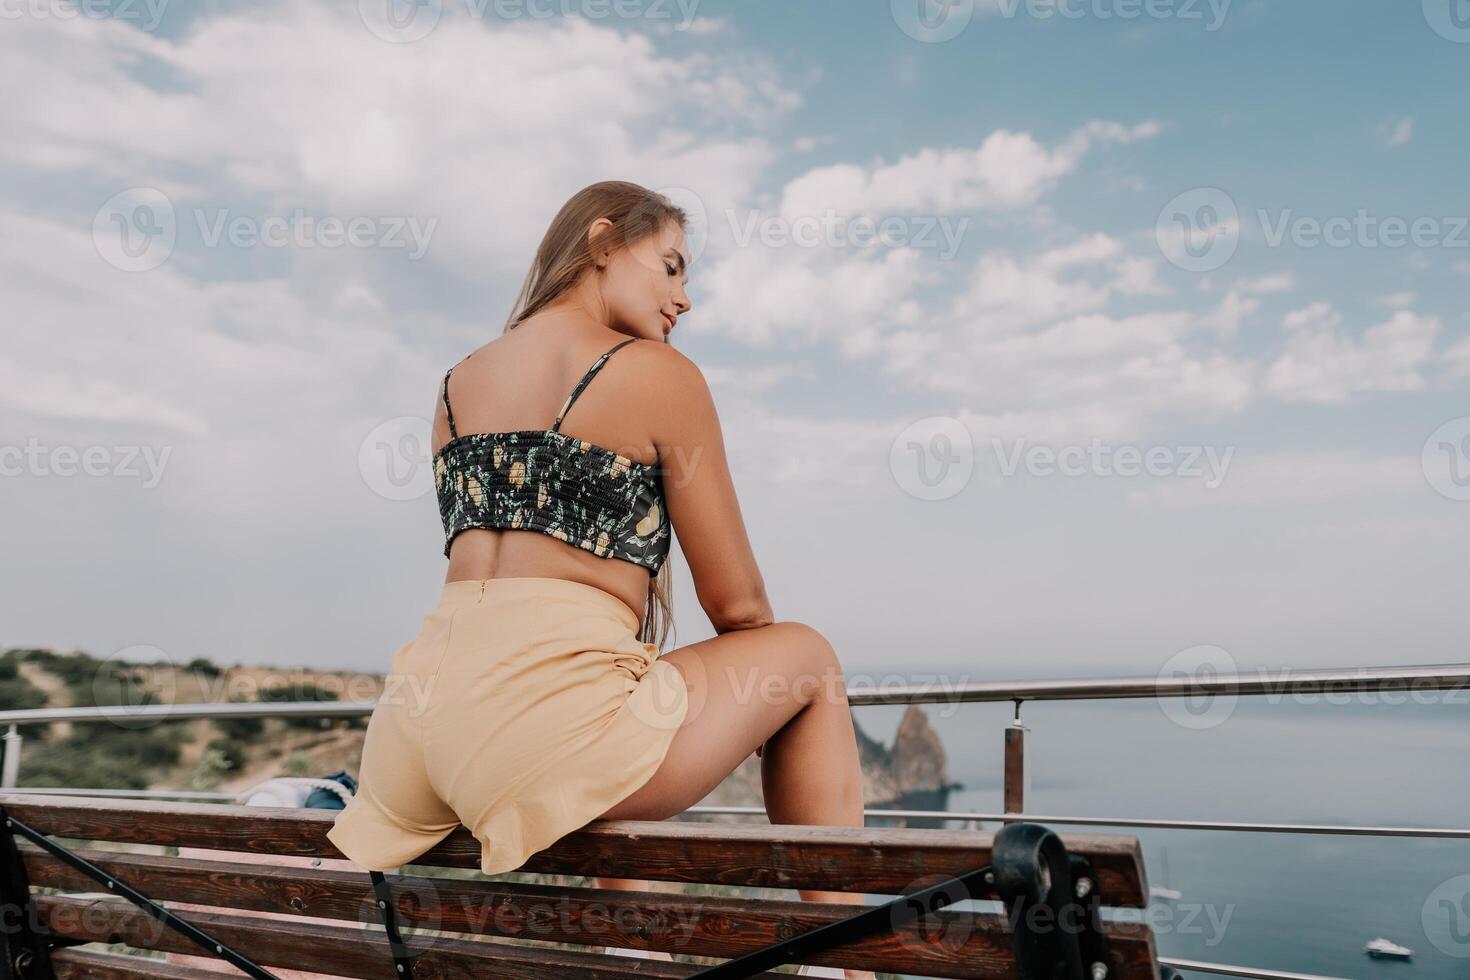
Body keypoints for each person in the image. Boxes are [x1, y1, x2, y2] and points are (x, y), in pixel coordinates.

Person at [326, 180, 873, 979]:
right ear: (604, 242)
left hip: (414, 735)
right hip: (544, 722)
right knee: (807, 658)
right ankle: (846, 966)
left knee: (614, 715)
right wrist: (755, 715)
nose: (685, 300)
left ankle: (630, 959)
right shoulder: (656, 373)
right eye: (673, 268)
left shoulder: (454, 385)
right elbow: (739, 606)